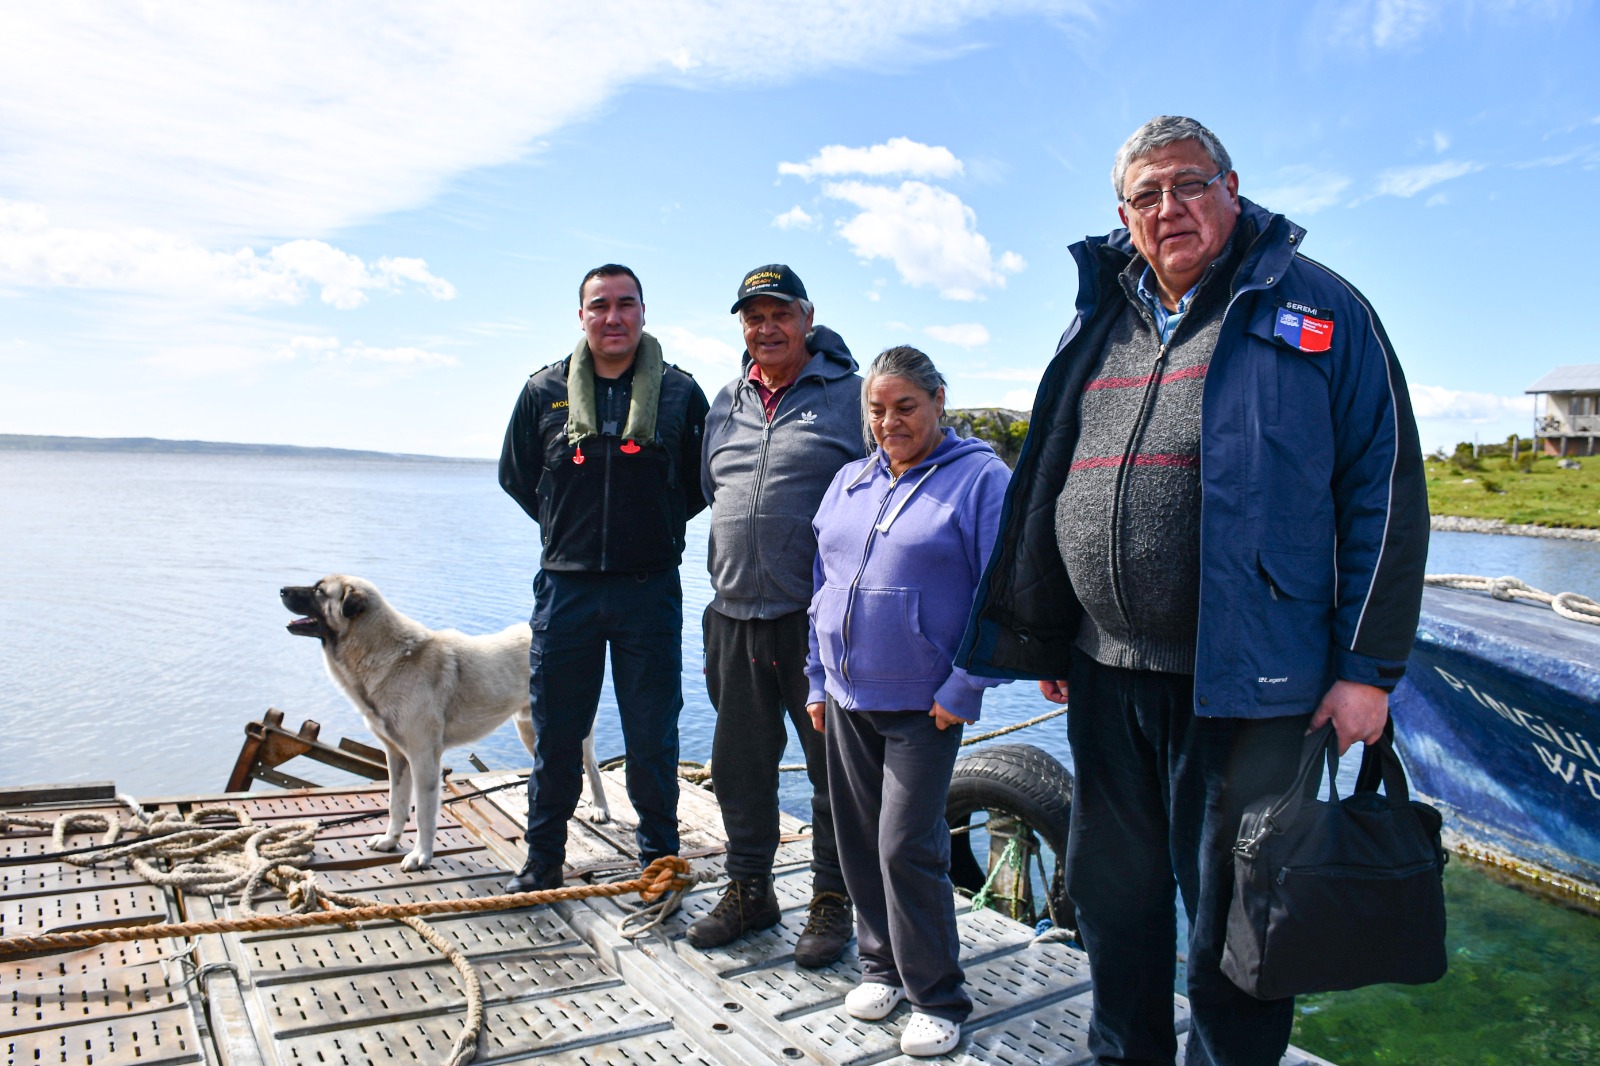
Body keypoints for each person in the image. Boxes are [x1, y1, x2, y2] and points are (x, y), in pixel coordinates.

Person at [956, 116, 1429, 1065]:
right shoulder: (1101, 315)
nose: (1168, 207)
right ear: (1123, 212)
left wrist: (1366, 670)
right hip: (1104, 672)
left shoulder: (1325, 308)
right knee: (1115, 901)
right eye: (1146, 194)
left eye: (1189, 184)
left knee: (1239, 920)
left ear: (1232, 187)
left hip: (1253, 682)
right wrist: (1052, 628)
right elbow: (1054, 474)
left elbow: (1384, 492)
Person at [806, 346, 1011, 1059]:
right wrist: (816, 678)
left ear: (937, 401)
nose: (889, 422)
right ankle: (881, 967)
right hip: (845, 696)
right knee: (860, 841)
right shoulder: (849, 481)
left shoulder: (981, 479)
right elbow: (822, 584)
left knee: (906, 846)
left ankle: (937, 997)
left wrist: (965, 687)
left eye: (905, 407)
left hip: (926, 704)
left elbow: (999, 594)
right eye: (877, 409)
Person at [498, 263, 709, 893]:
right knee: (558, 735)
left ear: (643, 312)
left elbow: (700, 482)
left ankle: (659, 860)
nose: (613, 317)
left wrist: (654, 528)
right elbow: (516, 475)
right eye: (600, 305)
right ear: (582, 315)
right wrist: (567, 529)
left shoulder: (680, 393)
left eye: (625, 304)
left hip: (649, 590)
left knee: (652, 735)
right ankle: (542, 861)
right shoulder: (542, 390)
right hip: (567, 589)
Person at [689, 264, 866, 965]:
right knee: (739, 768)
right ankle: (750, 891)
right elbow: (713, 488)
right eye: (753, 317)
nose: (766, 328)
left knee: (832, 773)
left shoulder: (851, 397)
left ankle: (832, 899)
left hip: (817, 623)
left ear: (807, 318)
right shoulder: (725, 402)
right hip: (733, 616)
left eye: (779, 314)